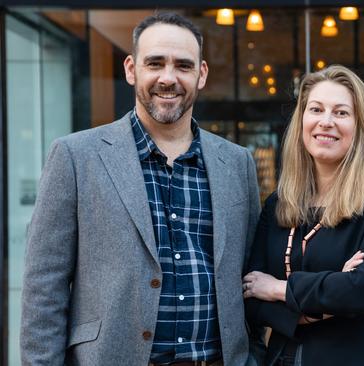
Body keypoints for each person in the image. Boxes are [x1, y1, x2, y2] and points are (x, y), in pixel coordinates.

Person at [20, 13, 260, 366]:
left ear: (201, 74)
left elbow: (249, 274)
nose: (168, 78)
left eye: (182, 65)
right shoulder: (75, 156)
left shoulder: (237, 163)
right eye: (155, 63)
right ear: (131, 69)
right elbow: (44, 287)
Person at [242, 65, 364, 366]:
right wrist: (331, 295)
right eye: (316, 109)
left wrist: (278, 288)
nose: (326, 122)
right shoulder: (278, 204)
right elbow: (250, 296)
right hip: (282, 358)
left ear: (361, 126)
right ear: (302, 121)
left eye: (341, 113)